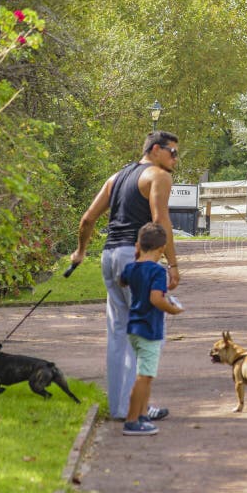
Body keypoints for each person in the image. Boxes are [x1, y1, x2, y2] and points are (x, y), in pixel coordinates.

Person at [70, 131, 181, 420]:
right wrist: (172, 264)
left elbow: (88, 218)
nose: (175, 159)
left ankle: (120, 408)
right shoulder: (158, 176)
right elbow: (160, 221)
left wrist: (80, 252)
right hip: (136, 256)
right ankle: (138, 408)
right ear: (155, 150)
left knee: (118, 333)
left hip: (110, 256)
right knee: (144, 332)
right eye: (172, 152)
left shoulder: (116, 178)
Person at [120, 223, 183, 435]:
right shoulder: (157, 271)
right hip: (149, 329)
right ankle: (132, 420)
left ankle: (143, 415)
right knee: (144, 377)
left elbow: (122, 281)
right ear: (162, 248)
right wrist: (172, 309)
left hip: (133, 327)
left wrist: (136, 256)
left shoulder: (131, 267)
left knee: (145, 375)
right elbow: (156, 298)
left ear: (139, 245)